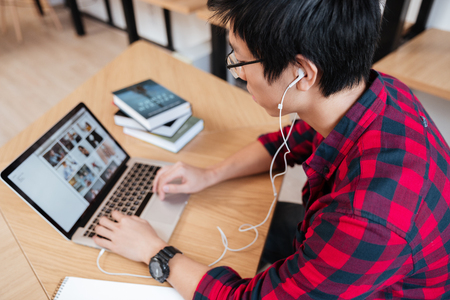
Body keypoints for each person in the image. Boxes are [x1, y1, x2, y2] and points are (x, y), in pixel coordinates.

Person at [93, 0, 450, 299]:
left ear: (302, 72)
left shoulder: (367, 220)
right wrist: (209, 174)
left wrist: (154, 253)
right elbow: (291, 142)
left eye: (242, 60)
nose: (238, 73)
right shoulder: (376, 91)